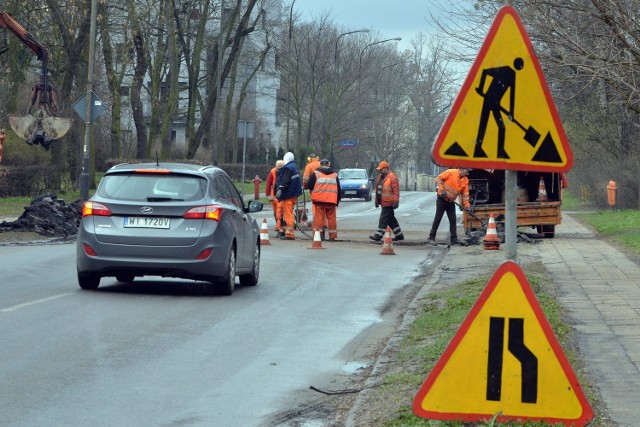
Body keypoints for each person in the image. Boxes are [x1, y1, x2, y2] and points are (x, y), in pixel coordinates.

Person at [428, 168, 471, 245]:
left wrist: (467, 206)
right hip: (442, 199)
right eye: (467, 171)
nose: (468, 174)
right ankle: (431, 237)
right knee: (438, 218)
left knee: (453, 219)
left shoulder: (465, 180)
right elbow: (439, 178)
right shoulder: (450, 172)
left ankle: (454, 239)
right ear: (462, 169)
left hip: (450, 201)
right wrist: (442, 190)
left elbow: (465, 195)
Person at [369, 161, 404, 242]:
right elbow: (378, 190)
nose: (380, 171)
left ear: (386, 168)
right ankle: (399, 235)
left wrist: (396, 201)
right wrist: (377, 201)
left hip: (389, 202)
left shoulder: (392, 177)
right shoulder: (380, 177)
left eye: (381, 169)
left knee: (383, 219)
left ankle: (378, 235)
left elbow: (396, 190)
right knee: (391, 219)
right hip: (383, 202)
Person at [307, 158, 341, 241]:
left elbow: (309, 185)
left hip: (319, 200)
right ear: (328, 165)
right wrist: (337, 200)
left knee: (319, 218)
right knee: (331, 219)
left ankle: (319, 235)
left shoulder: (316, 174)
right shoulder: (335, 175)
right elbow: (339, 189)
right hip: (331, 200)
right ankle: (332, 236)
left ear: (320, 165)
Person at [276, 152, 303, 240]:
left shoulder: (288, 168)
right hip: (293, 193)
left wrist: (280, 189)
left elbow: (286, 181)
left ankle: (290, 234)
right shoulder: (294, 167)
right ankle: (288, 232)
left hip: (288, 194)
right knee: (289, 212)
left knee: (288, 214)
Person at [265, 159, 284, 237]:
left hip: (274, 196)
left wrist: (268, 194)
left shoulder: (273, 171)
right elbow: (269, 183)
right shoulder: (285, 171)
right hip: (280, 196)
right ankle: (281, 230)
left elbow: (268, 183)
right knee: (280, 213)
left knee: (277, 213)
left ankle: (279, 229)